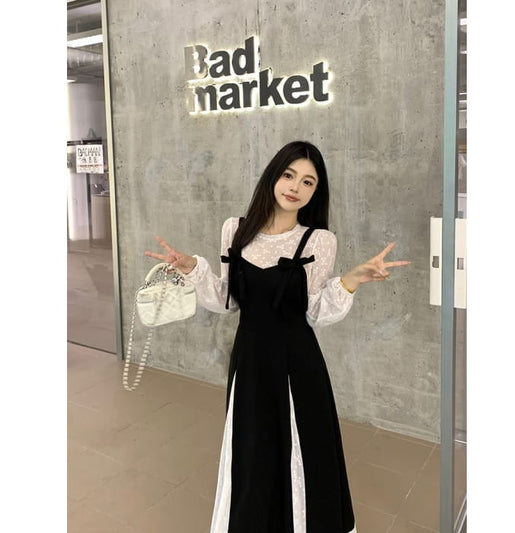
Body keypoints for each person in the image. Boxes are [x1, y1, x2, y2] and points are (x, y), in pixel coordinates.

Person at [145, 140, 410, 533]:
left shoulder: (319, 241)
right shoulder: (235, 230)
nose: (295, 187)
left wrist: (352, 279)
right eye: (289, 175)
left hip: (299, 365)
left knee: (307, 454)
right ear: (273, 176)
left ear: (315, 191)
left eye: (308, 182)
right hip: (250, 363)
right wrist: (192, 268)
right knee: (253, 453)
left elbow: (316, 312)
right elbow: (228, 301)